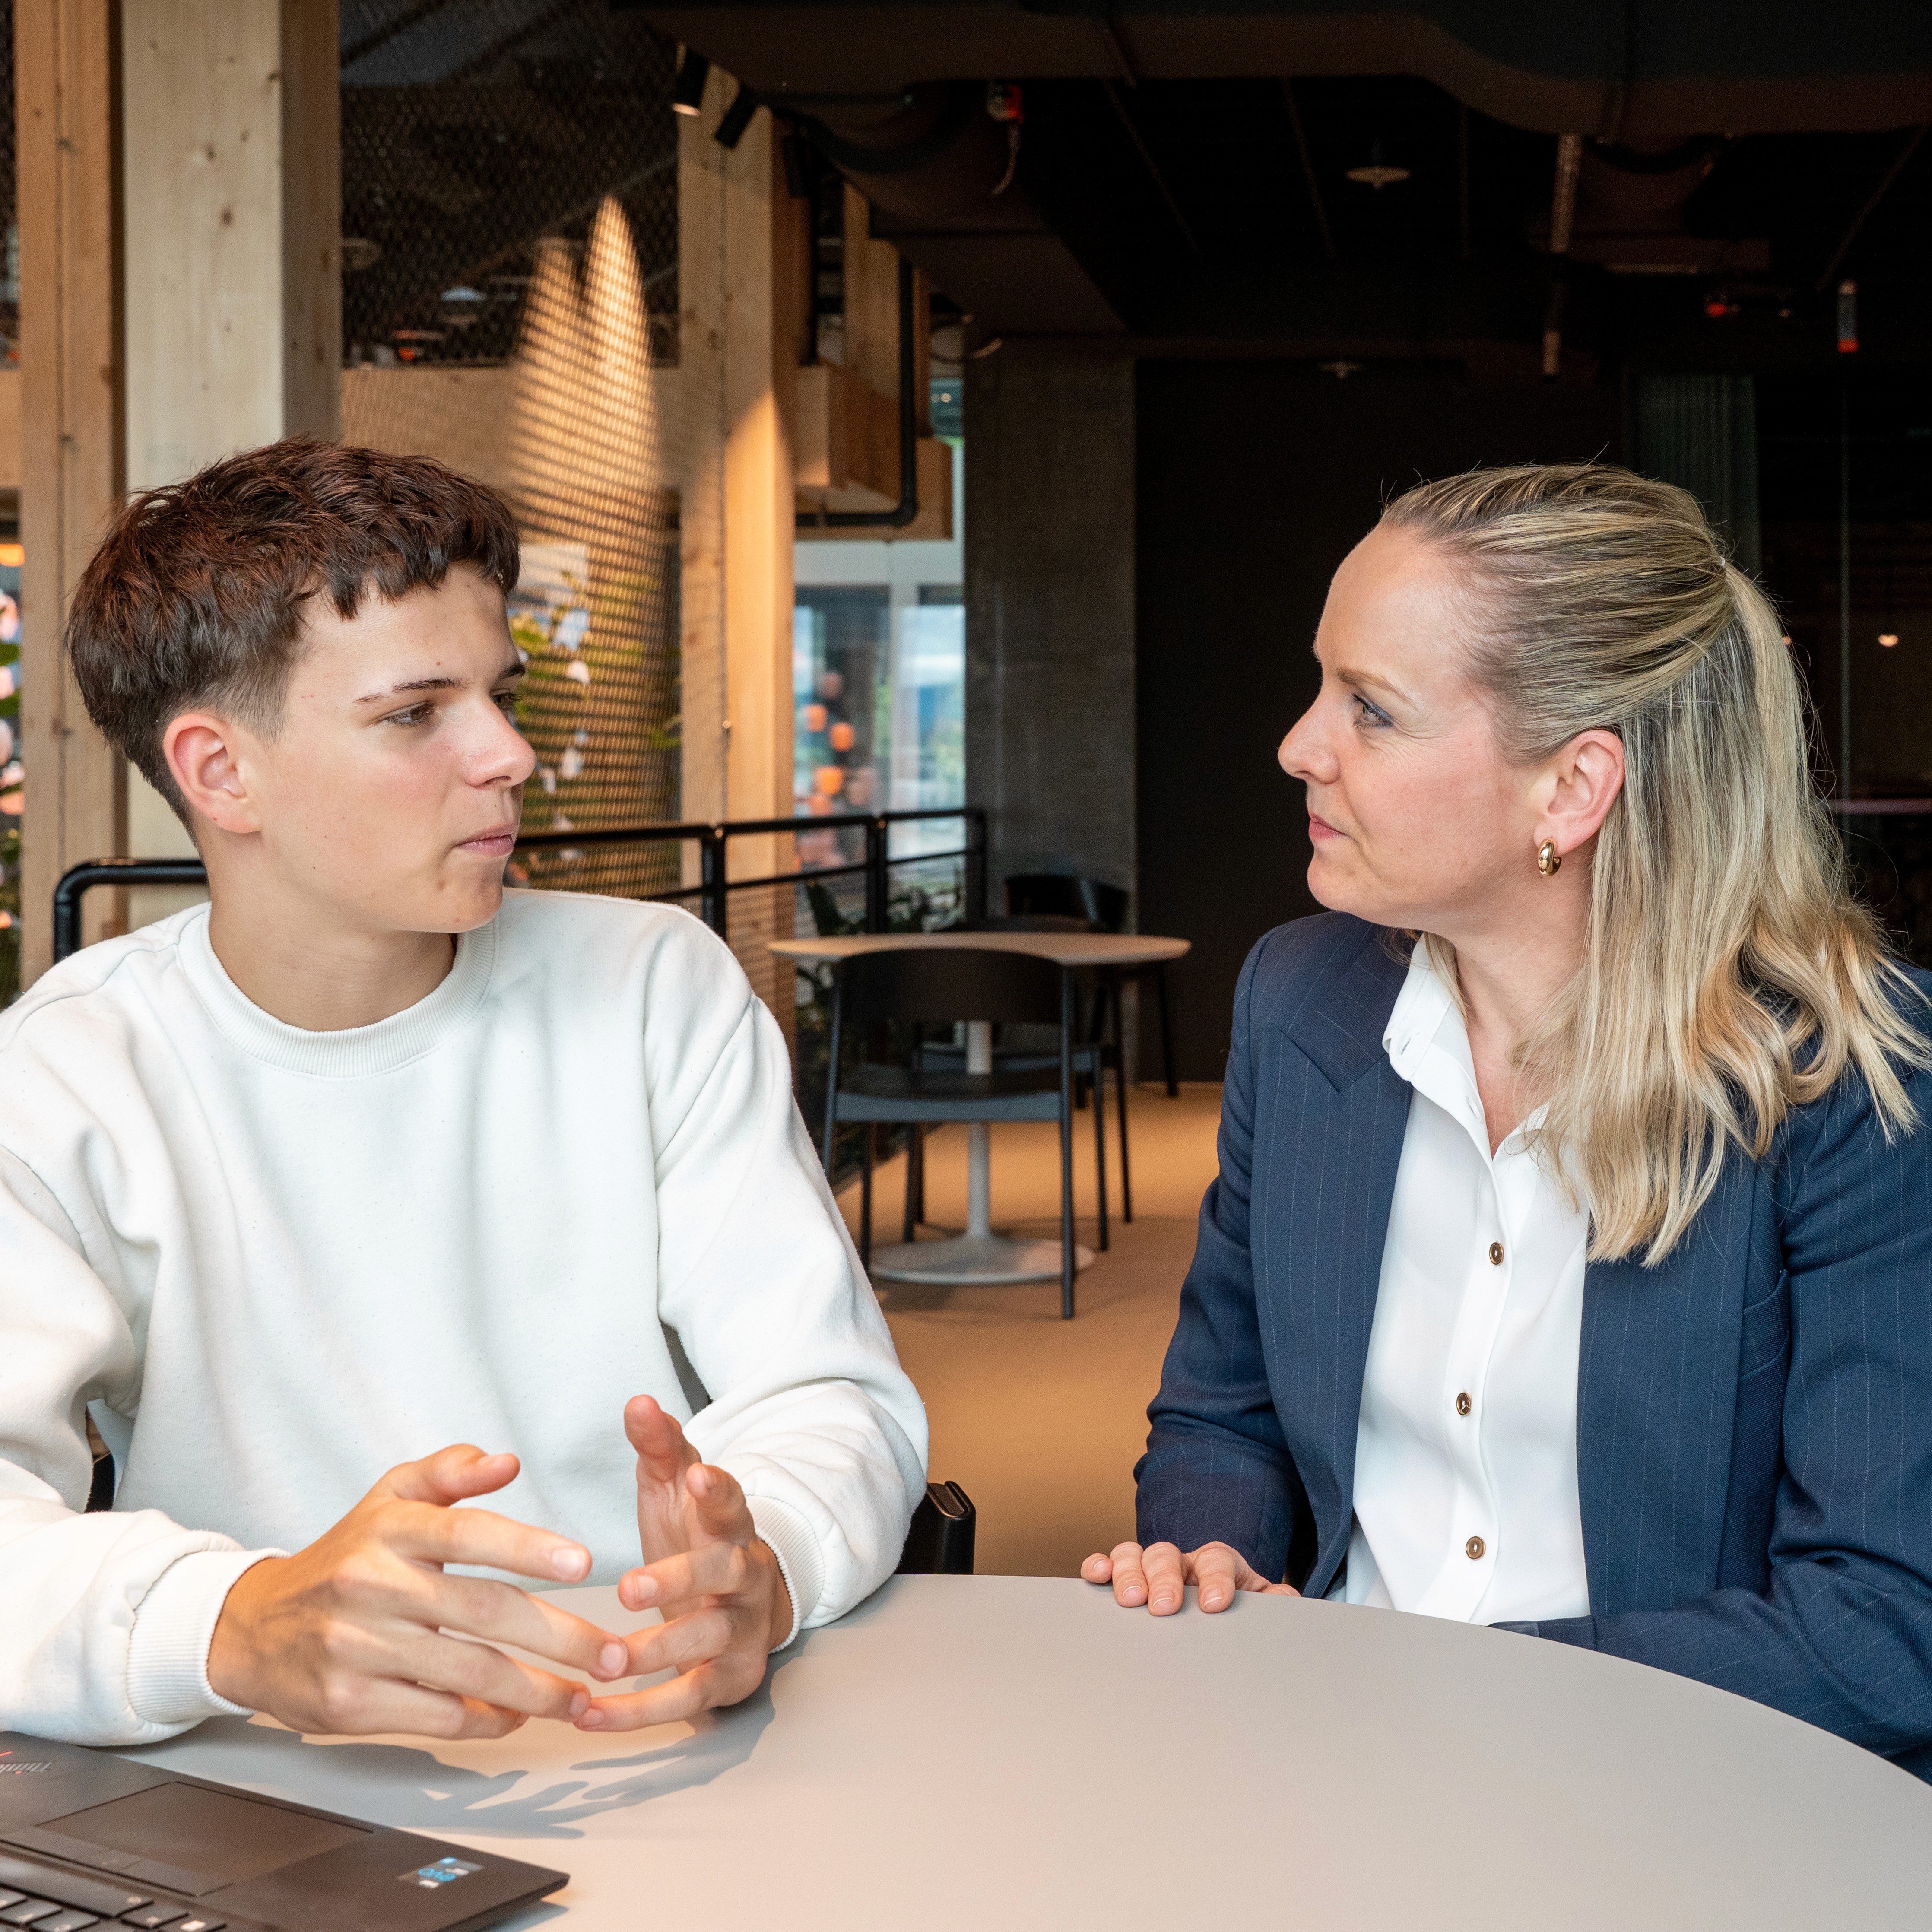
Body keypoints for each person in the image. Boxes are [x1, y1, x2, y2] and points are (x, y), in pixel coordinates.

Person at [0, 438, 926, 1748]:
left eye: (500, 692)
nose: (509, 754)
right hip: (269, 1778)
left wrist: (760, 1564)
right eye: (415, 711)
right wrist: (234, 1619)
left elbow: (832, 1400)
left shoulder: (655, 986)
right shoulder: (68, 1070)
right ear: (220, 773)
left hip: (655, 1728)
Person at [1084, 463, 1932, 1777]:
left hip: (1678, 1804)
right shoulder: (1295, 1004)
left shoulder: (1853, 1084)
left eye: (1369, 708)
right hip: (1322, 1764)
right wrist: (1213, 1556)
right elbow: (1221, 1417)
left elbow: (1881, 1621)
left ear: (1569, 789)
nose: (1299, 745)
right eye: (1322, 686)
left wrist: (1452, 1695)